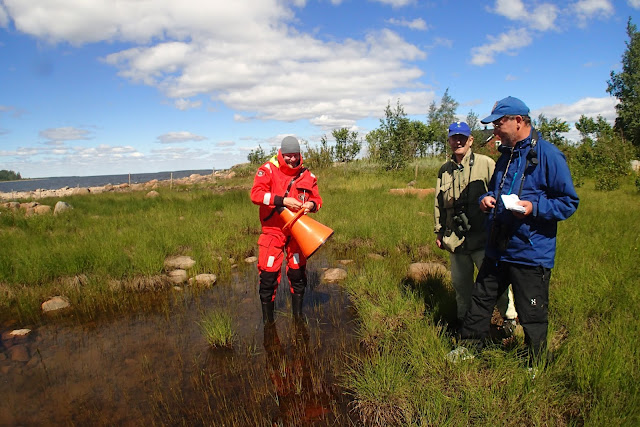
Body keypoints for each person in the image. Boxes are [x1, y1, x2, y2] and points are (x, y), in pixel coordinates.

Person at [457, 96, 579, 362]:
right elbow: (494, 190)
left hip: (530, 252)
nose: (495, 131)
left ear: (519, 121)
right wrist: (485, 200)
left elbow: (568, 202)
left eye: (499, 124)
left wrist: (533, 207)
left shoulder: (548, 155)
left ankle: (535, 362)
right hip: (498, 247)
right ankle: (469, 347)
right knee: (481, 300)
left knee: (532, 313)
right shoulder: (505, 156)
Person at [435, 122, 517, 330]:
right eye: (454, 137)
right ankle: (465, 319)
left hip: (484, 239)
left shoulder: (487, 163)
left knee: (495, 283)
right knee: (461, 285)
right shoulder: (444, 171)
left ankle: (509, 318)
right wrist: (439, 231)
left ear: (471, 140)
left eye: (463, 137)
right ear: (449, 141)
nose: (458, 141)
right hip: (456, 239)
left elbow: (501, 195)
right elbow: (439, 204)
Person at [250, 136, 323, 324]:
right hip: (272, 231)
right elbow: (256, 195)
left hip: (298, 234)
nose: (292, 159)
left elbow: (318, 200)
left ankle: (298, 318)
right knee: (268, 276)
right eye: (288, 155)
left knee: (298, 274)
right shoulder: (267, 170)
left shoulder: (308, 175)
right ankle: (268, 323)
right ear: (281, 153)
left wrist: (311, 205)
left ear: (300, 154)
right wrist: (282, 201)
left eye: (295, 155)